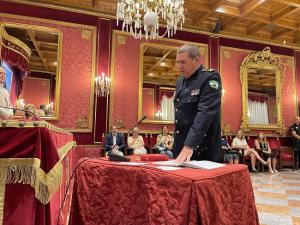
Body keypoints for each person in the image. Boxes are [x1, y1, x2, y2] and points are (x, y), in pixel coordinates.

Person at [173, 44, 222, 163]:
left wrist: (189, 145)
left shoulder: (210, 78)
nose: (179, 66)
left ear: (197, 59)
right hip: (182, 146)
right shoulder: (180, 81)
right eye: (178, 62)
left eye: (183, 62)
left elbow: (205, 113)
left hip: (202, 148)